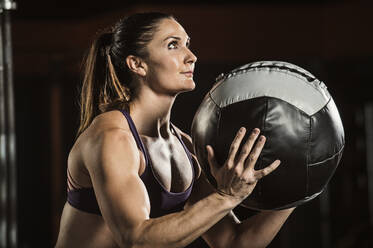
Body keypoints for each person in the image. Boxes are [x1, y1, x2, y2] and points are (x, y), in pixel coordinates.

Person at [55, 12, 294, 248]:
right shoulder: (112, 138)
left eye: (187, 45)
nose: (191, 56)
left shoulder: (185, 147)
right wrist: (226, 197)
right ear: (137, 64)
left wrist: (304, 184)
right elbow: (136, 240)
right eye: (173, 45)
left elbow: (233, 241)